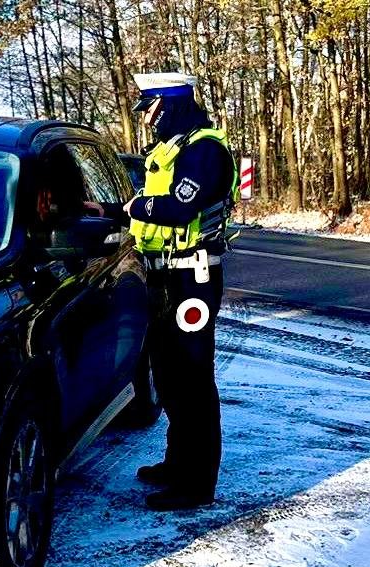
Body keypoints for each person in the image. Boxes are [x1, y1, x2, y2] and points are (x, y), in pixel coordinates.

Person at [123, 73, 237, 512]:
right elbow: (152, 212)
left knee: (193, 379)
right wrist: (115, 210)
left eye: (149, 107)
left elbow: (180, 206)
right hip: (166, 276)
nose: (146, 117)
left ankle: (197, 483)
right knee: (168, 375)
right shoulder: (171, 149)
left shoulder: (203, 149)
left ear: (169, 104)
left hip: (194, 278)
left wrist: (136, 205)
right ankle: (177, 463)